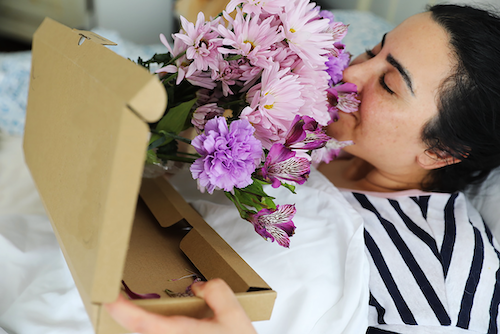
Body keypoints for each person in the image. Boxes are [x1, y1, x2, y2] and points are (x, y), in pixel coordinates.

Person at [106, 4, 500, 333]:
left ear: (442, 151)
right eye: (374, 50)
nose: (351, 72)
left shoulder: (445, 277)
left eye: (389, 84)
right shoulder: (304, 122)